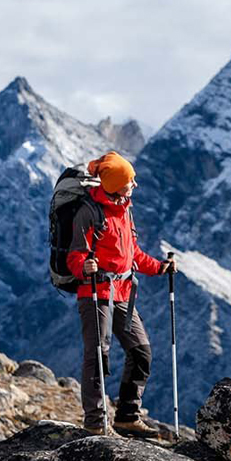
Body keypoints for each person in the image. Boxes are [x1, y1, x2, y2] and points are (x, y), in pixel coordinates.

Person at [66, 150, 177, 438]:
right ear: (115, 184)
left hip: (123, 293)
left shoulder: (124, 208)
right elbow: (74, 256)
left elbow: (133, 255)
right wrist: (84, 266)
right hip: (96, 292)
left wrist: (159, 267)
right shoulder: (89, 212)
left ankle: (127, 416)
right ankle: (95, 421)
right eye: (130, 181)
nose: (135, 186)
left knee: (141, 351)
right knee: (98, 356)